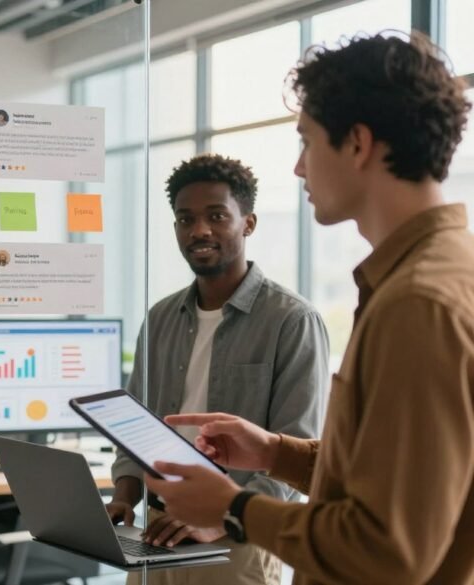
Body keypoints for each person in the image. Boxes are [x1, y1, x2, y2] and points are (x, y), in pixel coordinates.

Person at [143, 32, 474, 585]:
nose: (298, 168)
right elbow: (391, 472)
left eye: (307, 142)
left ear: (358, 144)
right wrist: (275, 451)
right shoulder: (431, 274)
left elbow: (388, 547)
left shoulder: (419, 303)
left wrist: (234, 507)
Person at [105, 154, 327, 585]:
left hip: (237, 538)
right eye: (186, 219)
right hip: (158, 529)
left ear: (248, 223)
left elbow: (294, 447)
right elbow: (135, 428)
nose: (199, 230)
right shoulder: (160, 317)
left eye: (216, 216)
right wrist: (123, 496)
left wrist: (225, 518)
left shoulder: (291, 320)